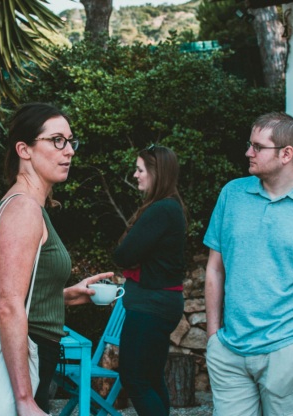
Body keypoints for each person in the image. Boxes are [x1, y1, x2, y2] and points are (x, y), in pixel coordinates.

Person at [204, 112, 293, 416]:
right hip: (230, 352)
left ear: (286, 154)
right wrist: (213, 336)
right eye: (250, 144)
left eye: (258, 147)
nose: (248, 152)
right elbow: (214, 268)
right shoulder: (232, 195)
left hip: (287, 351)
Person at [0, 103, 113, 415]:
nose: (68, 151)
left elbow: (23, 294)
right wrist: (24, 399)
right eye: (56, 140)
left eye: (70, 141)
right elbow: (8, 305)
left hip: (34, 355)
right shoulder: (23, 209)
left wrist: (64, 296)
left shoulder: (29, 206)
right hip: (27, 359)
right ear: (24, 150)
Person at [113, 144, 187, 415]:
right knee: (151, 378)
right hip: (159, 305)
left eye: (140, 169)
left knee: (134, 378)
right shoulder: (170, 208)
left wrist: (133, 257)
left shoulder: (161, 210)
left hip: (150, 308)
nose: (135, 175)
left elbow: (123, 254)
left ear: (157, 174)